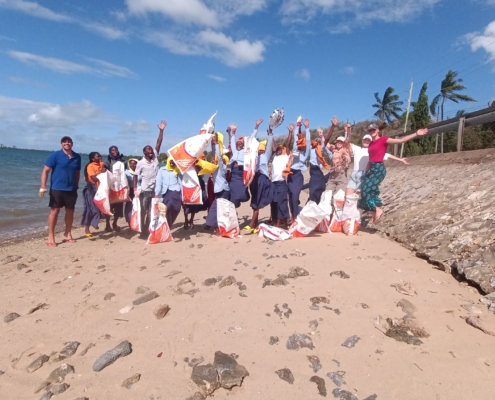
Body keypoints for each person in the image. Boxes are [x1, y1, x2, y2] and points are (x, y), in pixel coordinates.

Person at [358, 123, 428, 223]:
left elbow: (400, 141)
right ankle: (374, 213)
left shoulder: (383, 139)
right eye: (370, 130)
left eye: (374, 130)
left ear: (378, 130)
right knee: (366, 190)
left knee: (367, 189)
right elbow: (371, 158)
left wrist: (416, 133)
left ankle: (378, 210)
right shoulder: (371, 144)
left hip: (379, 168)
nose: (372, 131)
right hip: (372, 168)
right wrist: (366, 169)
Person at [39, 136, 82, 247]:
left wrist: (76, 185)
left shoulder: (77, 157)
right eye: (64, 142)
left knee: (70, 211)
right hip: (57, 189)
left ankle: (68, 234)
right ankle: (51, 236)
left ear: (72, 143)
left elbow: (77, 172)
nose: (67, 143)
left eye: (69, 141)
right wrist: (43, 185)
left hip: (71, 189)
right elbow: (45, 171)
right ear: (61, 144)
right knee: (54, 211)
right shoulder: (55, 155)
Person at [345, 124, 409, 197]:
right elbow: (347, 143)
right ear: (362, 140)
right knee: (348, 196)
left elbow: (387, 155)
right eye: (365, 139)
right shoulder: (356, 148)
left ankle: (361, 206)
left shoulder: (373, 150)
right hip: (354, 173)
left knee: (359, 195)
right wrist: (348, 131)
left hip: (364, 174)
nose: (366, 141)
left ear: (371, 142)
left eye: (368, 140)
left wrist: (400, 159)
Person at [133, 120, 166, 237]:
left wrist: (161, 131)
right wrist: (135, 189)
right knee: (143, 211)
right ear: (144, 152)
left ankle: (149, 229)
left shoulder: (155, 158)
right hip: (145, 190)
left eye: (151, 149)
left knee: (153, 211)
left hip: (156, 190)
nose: (151, 151)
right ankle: (142, 230)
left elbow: (159, 143)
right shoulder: (141, 163)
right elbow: (135, 175)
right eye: (148, 149)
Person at [227, 119, 264, 208]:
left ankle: (245, 197)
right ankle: (233, 210)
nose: (239, 144)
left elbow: (251, 139)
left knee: (241, 193)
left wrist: (256, 127)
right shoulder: (235, 151)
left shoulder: (245, 151)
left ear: (243, 145)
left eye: (241, 143)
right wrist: (233, 132)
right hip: (233, 174)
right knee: (232, 195)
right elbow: (232, 141)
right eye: (238, 143)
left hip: (241, 173)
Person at [244, 127, 274, 233]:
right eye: (259, 149)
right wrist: (255, 128)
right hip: (254, 180)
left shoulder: (266, 155)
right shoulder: (254, 156)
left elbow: (270, 144)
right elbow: (250, 141)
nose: (261, 150)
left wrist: (270, 134)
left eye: (262, 149)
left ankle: (252, 224)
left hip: (263, 179)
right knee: (254, 200)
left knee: (256, 201)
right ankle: (256, 225)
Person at [285, 118, 311, 221]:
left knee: (295, 197)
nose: (300, 144)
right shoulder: (295, 149)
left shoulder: (305, 154)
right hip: (290, 175)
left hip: (297, 177)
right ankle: (293, 216)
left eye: (302, 143)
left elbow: (308, 141)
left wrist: (307, 128)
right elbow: (296, 139)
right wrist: (298, 125)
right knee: (291, 198)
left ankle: (295, 218)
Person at [205, 133, 230, 231]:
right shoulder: (216, 167)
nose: (219, 160)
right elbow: (214, 157)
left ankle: (218, 229)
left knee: (216, 210)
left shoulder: (222, 167)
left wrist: (214, 143)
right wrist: (212, 142)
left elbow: (218, 156)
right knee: (219, 210)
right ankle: (219, 228)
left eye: (222, 160)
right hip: (221, 191)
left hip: (223, 191)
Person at [307, 121, 336, 204]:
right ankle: (310, 206)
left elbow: (326, 139)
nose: (317, 142)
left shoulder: (321, 149)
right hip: (312, 171)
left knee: (320, 190)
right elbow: (307, 140)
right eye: (316, 140)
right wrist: (306, 128)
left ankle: (318, 206)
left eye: (319, 141)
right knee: (312, 192)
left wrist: (332, 126)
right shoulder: (310, 149)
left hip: (318, 171)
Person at [81, 152, 105, 237]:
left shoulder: (101, 164)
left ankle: (95, 222)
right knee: (90, 209)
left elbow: (103, 166)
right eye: (98, 156)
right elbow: (94, 179)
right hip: (91, 189)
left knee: (101, 208)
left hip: (100, 190)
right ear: (92, 158)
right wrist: (101, 172)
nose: (100, 157)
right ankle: (87, 228)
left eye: (100, 155)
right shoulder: (90, 166)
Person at [183, 157, 211, 229]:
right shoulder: (187, 163)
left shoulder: (200, 163)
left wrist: (200, 166)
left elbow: (202, 174)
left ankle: (191, 220)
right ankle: (186, 220)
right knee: (185, 203)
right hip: (188, 183)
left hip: (198, 182)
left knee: (195, 202)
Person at [270, 136, 291, 228]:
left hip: (281, 183)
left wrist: (290, 133)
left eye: (280, 149)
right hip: (273, 184)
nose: (278, 150)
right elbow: (273, 147)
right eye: (278, 149)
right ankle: (276, 222)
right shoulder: (275, 157)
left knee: (281, 203)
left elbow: (288, 144)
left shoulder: (285, 157)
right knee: (273, 203)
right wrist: (271, 135)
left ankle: (280, 224)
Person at [155, 157, 182, 227]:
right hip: (165, 192)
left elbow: (180, 183)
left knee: (176, 209)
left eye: (174, 161)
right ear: (168, 161)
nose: (172, 163)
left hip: (175, 191)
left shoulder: (177, 170)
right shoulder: (162, 170)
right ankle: (167, 226)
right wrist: (156, 193)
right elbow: (159, 182)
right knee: (169, 212)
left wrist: (183, 196)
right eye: (171, 161)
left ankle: (165, 209)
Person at [103, 145, 125, 232]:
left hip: (120, 187)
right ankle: (107, 224)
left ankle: (115, 223)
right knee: (109, 207)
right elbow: (105, 173)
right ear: (110, 152)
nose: (115, 151)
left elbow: (124, 173)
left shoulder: (122, 161)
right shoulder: (107, 161)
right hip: (111, 187)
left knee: (119, 207)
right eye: (112, 150)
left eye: (116, 149)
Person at [124, 158, 140, 226]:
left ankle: (138, 224)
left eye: (135, 163)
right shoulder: (126, 172)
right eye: (131, 163)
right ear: (129, 164)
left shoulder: (141, 172)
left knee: (138, 208)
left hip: (139, 192)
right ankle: (130, 225)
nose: (133, 165)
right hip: (130, 192)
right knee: (129, 209)